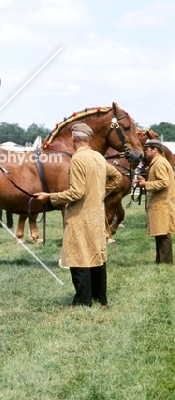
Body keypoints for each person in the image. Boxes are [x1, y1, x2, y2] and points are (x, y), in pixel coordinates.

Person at [35, 123, 121, 307]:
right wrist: (99, 192)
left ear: (73, 138)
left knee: (78, 255)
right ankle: (100, 297)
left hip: (80, 216)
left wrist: (50, 197)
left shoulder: (77, 159)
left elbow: (77, 192)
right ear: (88, 139)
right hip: (97, 215)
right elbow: (117, 177)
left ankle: (83, 301)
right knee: (96, 254)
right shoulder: (98, 156)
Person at [136, 138, 175, 264]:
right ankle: (160, 260)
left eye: (147, 149)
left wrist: (145, 184)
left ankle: (166, 262)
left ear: (155, 150)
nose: (145, 152)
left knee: (163, 233)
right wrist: (145, 181)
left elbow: (164, 182)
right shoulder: (158, 162)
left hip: (162, 203)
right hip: (160, 202)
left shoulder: (159, 163)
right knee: (160, 232)